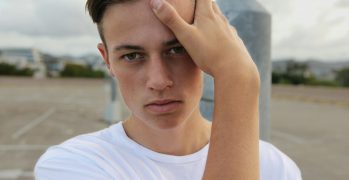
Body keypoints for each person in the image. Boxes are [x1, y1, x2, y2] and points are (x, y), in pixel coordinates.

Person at [35, 0, 302, 179]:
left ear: (210, 47)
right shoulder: (73, 165)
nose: (159, 80)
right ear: (107, 60)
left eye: (178, 50)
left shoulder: (275, 167)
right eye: (132, 56)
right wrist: (238, 79)